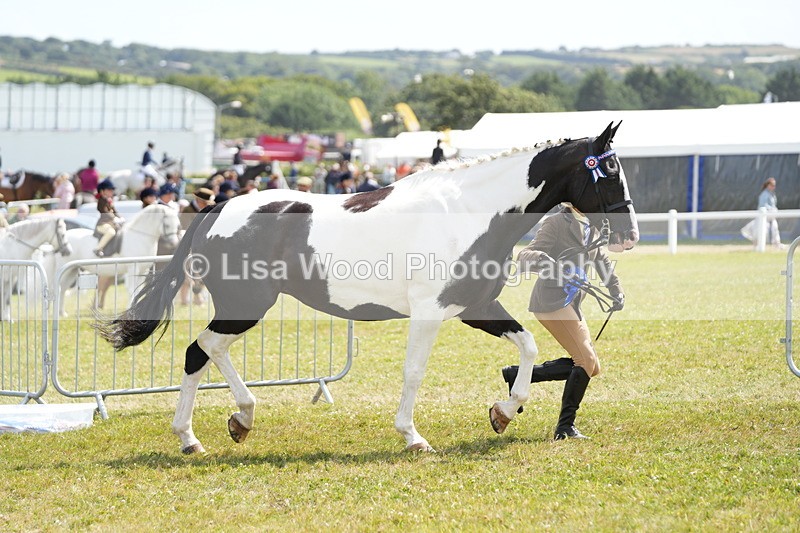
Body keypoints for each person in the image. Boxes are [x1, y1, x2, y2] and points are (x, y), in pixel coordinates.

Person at [501, 204, 625, 441]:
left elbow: (602, 261)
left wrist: (615, 290)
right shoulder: (556, 222)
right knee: (585, 361)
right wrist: (547, 260)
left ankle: (518, 375)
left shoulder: (593, 223)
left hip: (573, 303)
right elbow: (525, 255)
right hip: (552, 301)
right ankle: (565, 428)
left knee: (592, 367)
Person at [741, 177, 784, 249]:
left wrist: (774, 210)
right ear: (768, 185)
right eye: (772, 185)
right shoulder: (764, 194)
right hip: (764, 216)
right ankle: (758, 245)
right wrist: (771, 209)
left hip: (770, 216)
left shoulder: (772, 194)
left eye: (774, 185)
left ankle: (777, 244)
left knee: (774, 227)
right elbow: (762, 205)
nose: (774, 187)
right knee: (760, 231)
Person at [93, 180, 121, 257]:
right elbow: (104, 211)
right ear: (102, 191)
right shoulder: (101, 201)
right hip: (102, 224)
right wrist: (114, 217)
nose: (111, 192)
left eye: (112, 190)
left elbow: (115, 211)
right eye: (109, 190)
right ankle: (98, 248)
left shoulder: (110, 201)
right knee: (111, 232)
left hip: (111, 223)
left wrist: (120, 217)